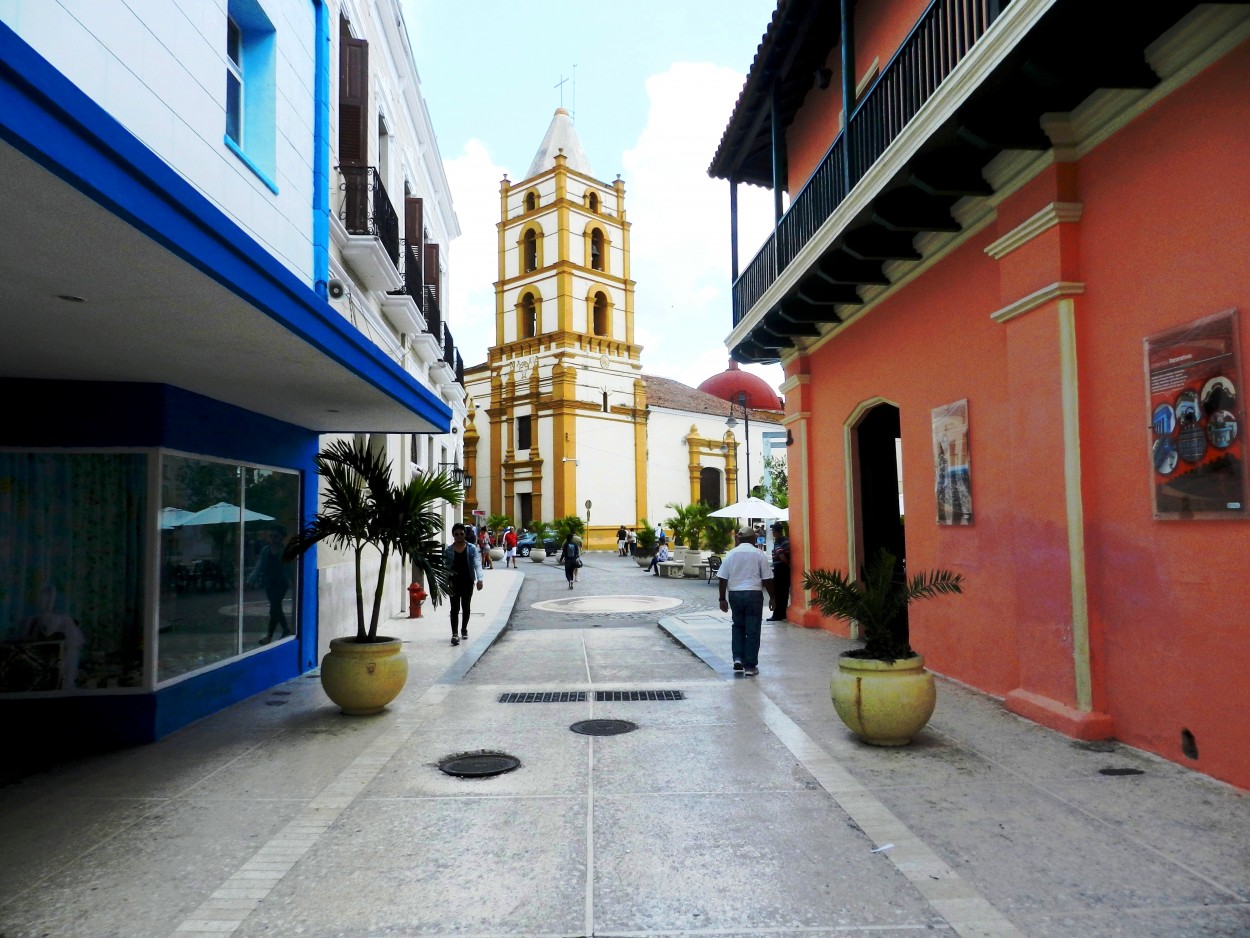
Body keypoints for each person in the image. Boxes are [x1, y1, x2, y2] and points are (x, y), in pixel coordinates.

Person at [717, 525, 774, 676]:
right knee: (753, 630)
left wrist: (722, 599)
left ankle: (737, 658)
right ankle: (750, 666)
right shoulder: (759, 554)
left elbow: (722, 578)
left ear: (739, 538)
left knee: (737, 626)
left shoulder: (731, 554)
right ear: (753, 539)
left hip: (735, 595)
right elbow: (767, 579)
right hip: (753, 594)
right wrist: (773, 598)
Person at [249, 528, 292, 645]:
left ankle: (269, 636)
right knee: (276, 608)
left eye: (276, 536)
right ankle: (286, 630)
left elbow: (291, 568)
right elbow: (260, 566)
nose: (273, 539)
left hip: (281, 583)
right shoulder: (265, 550)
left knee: (274, 607)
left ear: (281, 537)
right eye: (271, 536)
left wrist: (293, 580)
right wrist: (251, 579)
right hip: (269, 583)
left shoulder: (285, 550)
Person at [442, 523, 483, 645]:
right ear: (453, 536)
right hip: (453, 583)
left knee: (466, 607)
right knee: (454, 608)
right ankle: (454, 634)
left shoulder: (472, 548)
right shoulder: (448, 550)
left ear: (465, 534)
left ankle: (464, 628)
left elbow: (477, 563)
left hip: (467, 582)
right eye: (456, 534)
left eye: (461, 533)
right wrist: (444, 583)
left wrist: (479, 579)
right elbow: (445, 567)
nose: (459, 536)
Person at [768, 521, 791, 621]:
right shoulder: (787, 540)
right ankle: (783, 613)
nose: (772, 532)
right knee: (784, 593)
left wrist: (787, 563)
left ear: (777, 532)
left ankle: (777, 615)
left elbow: (780, 554)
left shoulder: (778, 541)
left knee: (777, 592)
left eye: (773, 531)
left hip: (780, 569)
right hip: (786, 570)